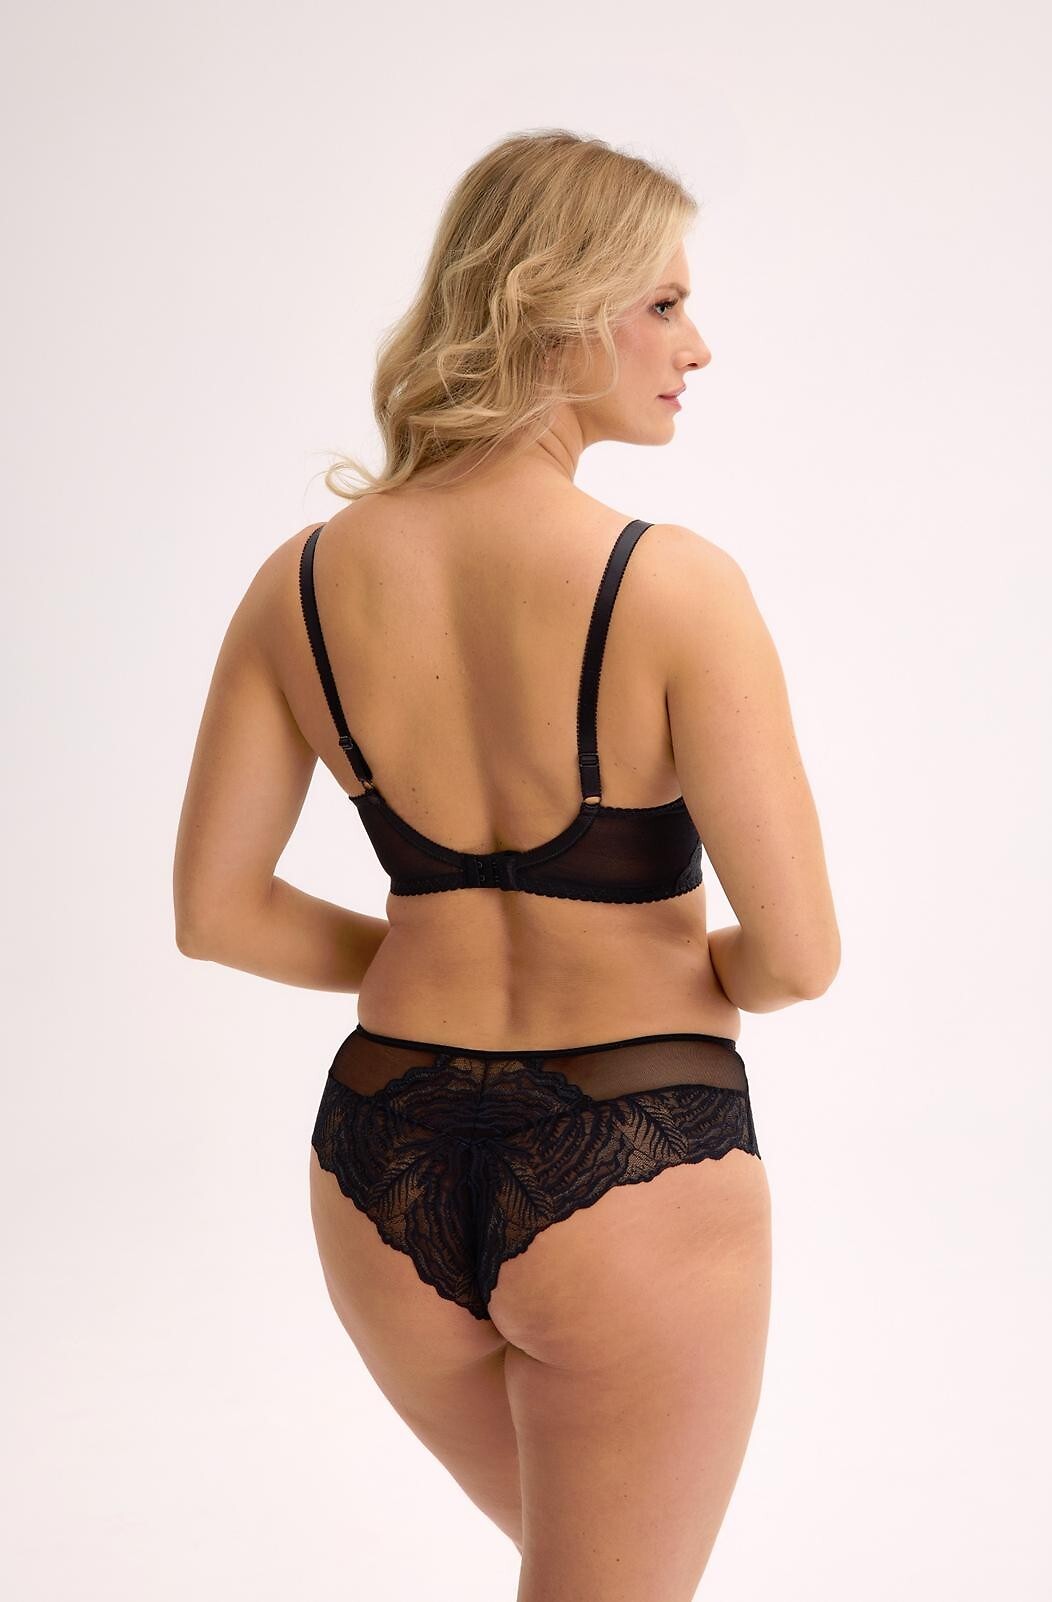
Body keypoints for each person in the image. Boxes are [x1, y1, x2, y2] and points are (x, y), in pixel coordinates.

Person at [173, 129, 840, 1602]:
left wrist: (436, 949)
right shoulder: (675, 586)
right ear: (554, 304)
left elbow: (215, 914)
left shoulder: (297, 583)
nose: (698, 346)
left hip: (380, 1164)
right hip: (636, 1163)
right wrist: (669, 964)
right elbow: (798, 959)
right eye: (663, 304)